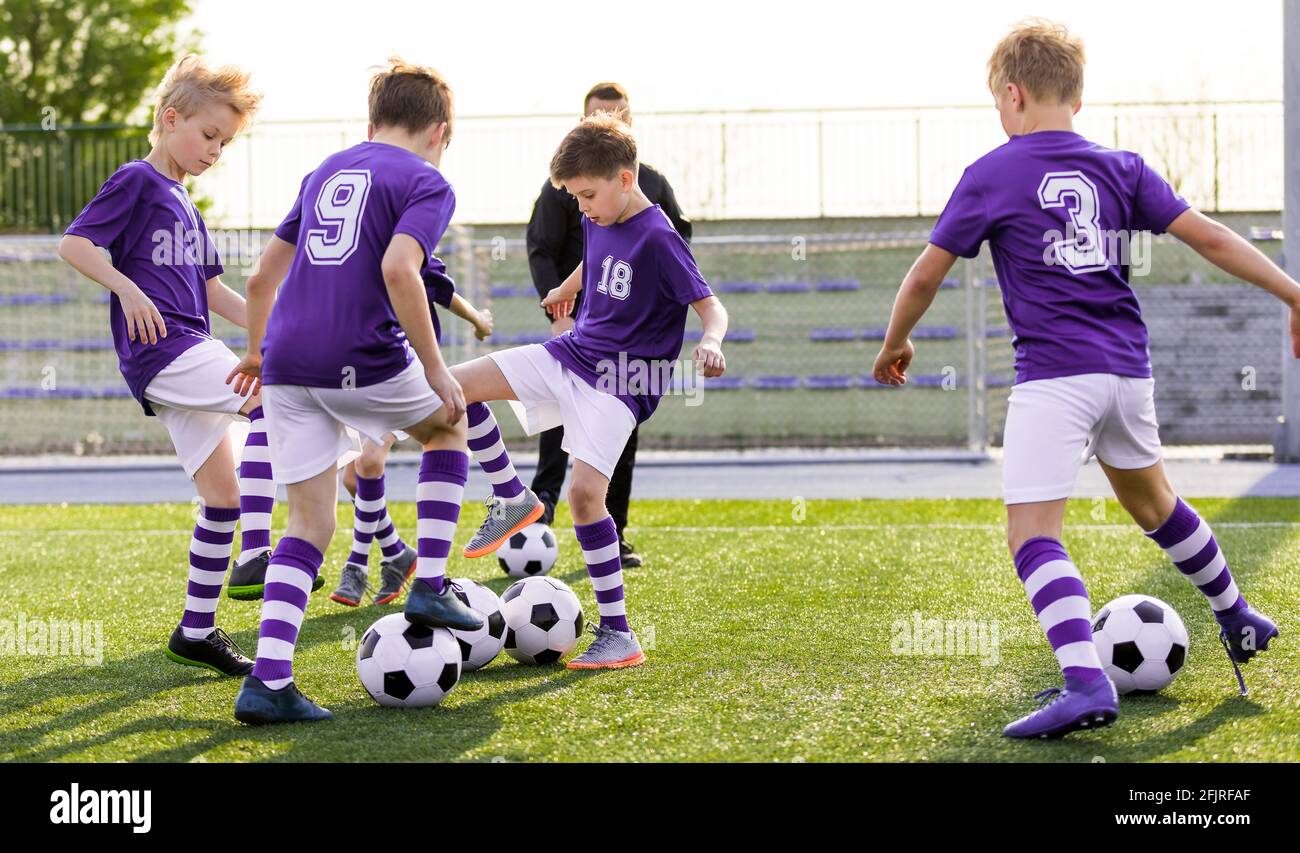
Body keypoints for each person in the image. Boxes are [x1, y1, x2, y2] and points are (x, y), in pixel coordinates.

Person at [873, 19, 1294, 739]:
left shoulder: (991, 173)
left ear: (1013, 94)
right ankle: (1237, 614)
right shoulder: (1122, 167)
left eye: (997, 103)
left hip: (1054, 377)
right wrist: (1294, 294)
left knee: (1032, 535)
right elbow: (1212, 237)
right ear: (1075, 91)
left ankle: (1084, 679)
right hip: (1128, 372)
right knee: (1156, 504)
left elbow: (924, 274)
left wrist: (895, 342)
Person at [226, 59, 507, 723]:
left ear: (373, 119)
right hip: (359, 351)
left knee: (308, 522)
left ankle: (267, 682)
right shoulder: (426, 180)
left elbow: (262, 279)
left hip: (288, 358)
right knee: (446, 425)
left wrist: (258, 352)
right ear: (441, 130)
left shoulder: (324, 170)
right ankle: (431, 583)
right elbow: (398, 268)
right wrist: (438, 368)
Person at [450, 113, 729, 669]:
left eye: (587, 195)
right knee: (456, 388)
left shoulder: (660, 237)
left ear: (627, 180)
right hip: (570, 353)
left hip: (621, 383)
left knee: (583, 497)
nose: (582, 207)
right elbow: (595, 254)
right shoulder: (600, 213)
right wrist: (565, 285)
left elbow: (710, 304)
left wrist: (712, 341)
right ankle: (513, 497)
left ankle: (619, 634)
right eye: (575, 197)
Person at [59, 55, 272, 677]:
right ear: (170, 118)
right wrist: (128, 289)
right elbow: (75, 243)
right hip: (167, 349)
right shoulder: (137, 181)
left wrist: (275, 324)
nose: (215, 151)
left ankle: (196, 630)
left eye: (225, 143)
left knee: (222, 499)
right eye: (209, 136)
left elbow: (215, 293)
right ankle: (258, 552)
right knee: (269, 400)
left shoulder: (187, 204)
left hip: (187, 351)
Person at [525, 82, 693, 567]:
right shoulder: (561, 191)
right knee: (557, 415)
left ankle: (612, 531)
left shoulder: (654, 187)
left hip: (630, 345)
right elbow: (542, 249)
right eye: (597, 116)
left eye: (617, 115)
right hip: (578, 330)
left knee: (619, 428)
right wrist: (560, 313)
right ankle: (539, 516)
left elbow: (680, 254)